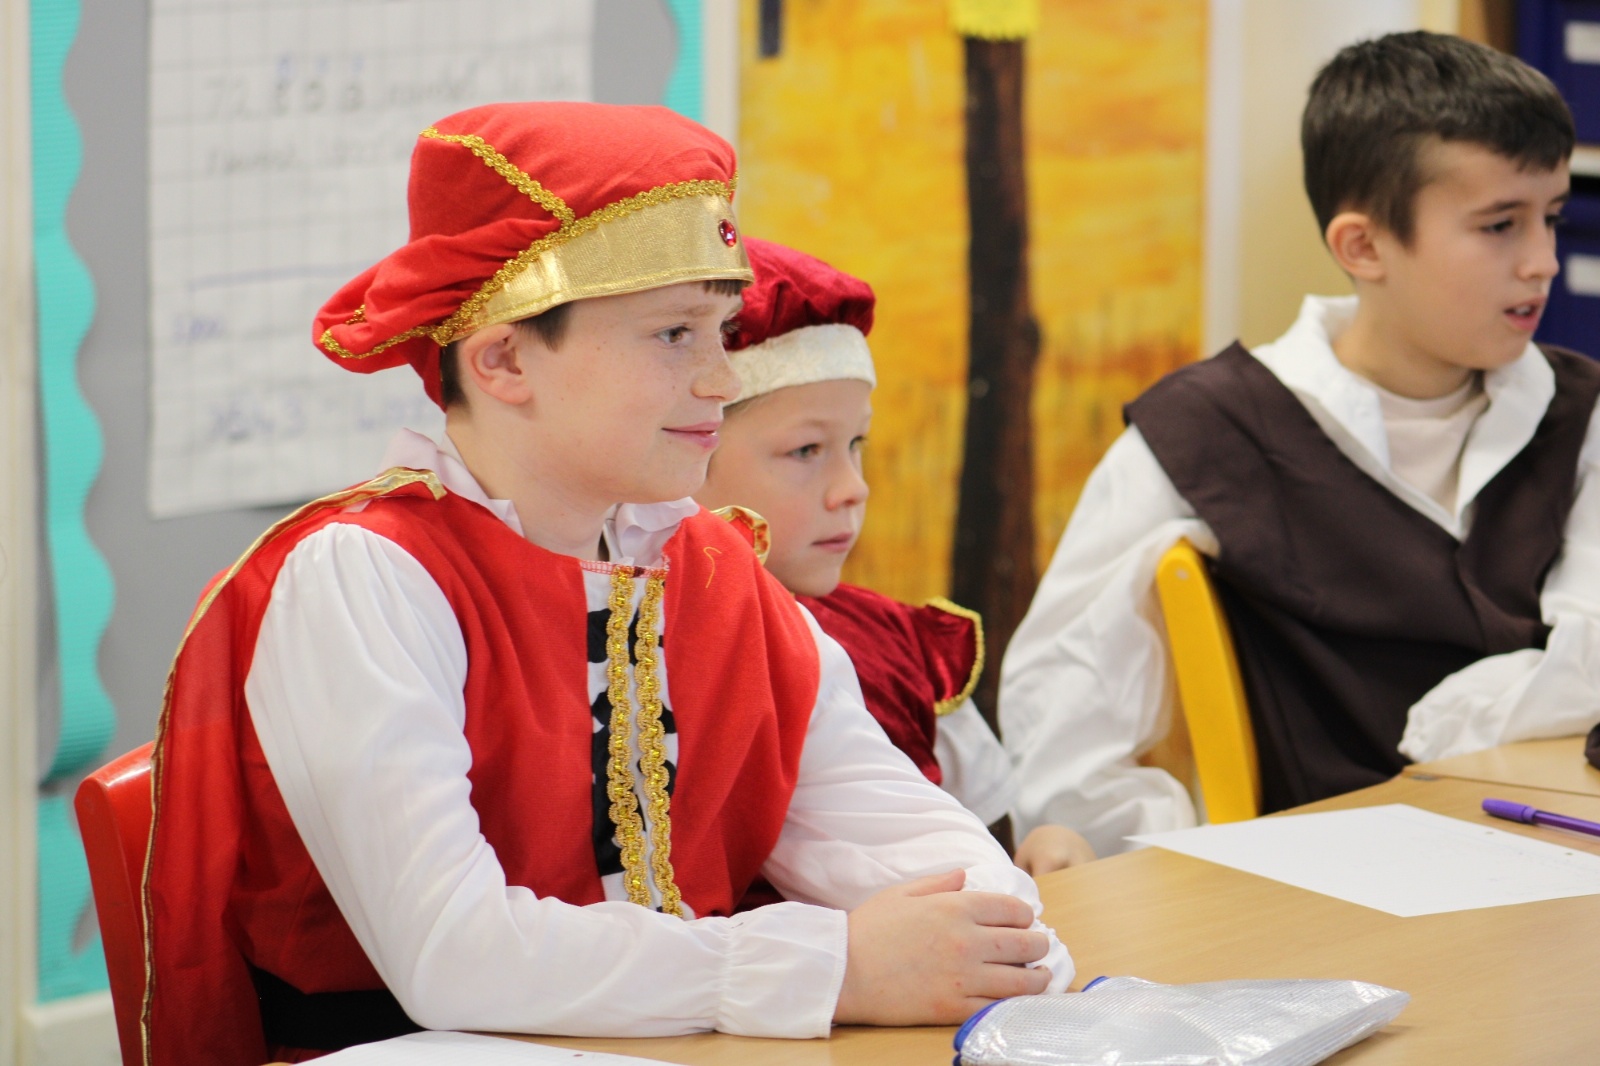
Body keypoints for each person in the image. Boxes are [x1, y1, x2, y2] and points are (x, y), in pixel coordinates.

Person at [142, 102, 1071, 1066]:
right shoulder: (368, 579)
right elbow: (453, 954)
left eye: (722, 330)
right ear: (503, 358)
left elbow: (908, 837)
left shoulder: (712, 570)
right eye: (673, 334)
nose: (720, 379)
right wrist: (829, 968)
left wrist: (989, 938)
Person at [1002, 31, 1600, 866]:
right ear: (1363, 246)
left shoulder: (1579, 411)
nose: (1542, 262)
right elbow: (1066, 716)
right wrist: (1172, 864)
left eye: (1552, 218)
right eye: (1500, 225)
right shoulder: (1207, 430)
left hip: (1550, 855)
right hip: (1314, 883)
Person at [694, 237, 1095, 869]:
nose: (853, 488)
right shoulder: (658, 656)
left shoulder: (898, 643)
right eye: (806, 450)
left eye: (857, 444)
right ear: (689, 452)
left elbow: (993, 846)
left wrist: (1045, 854)